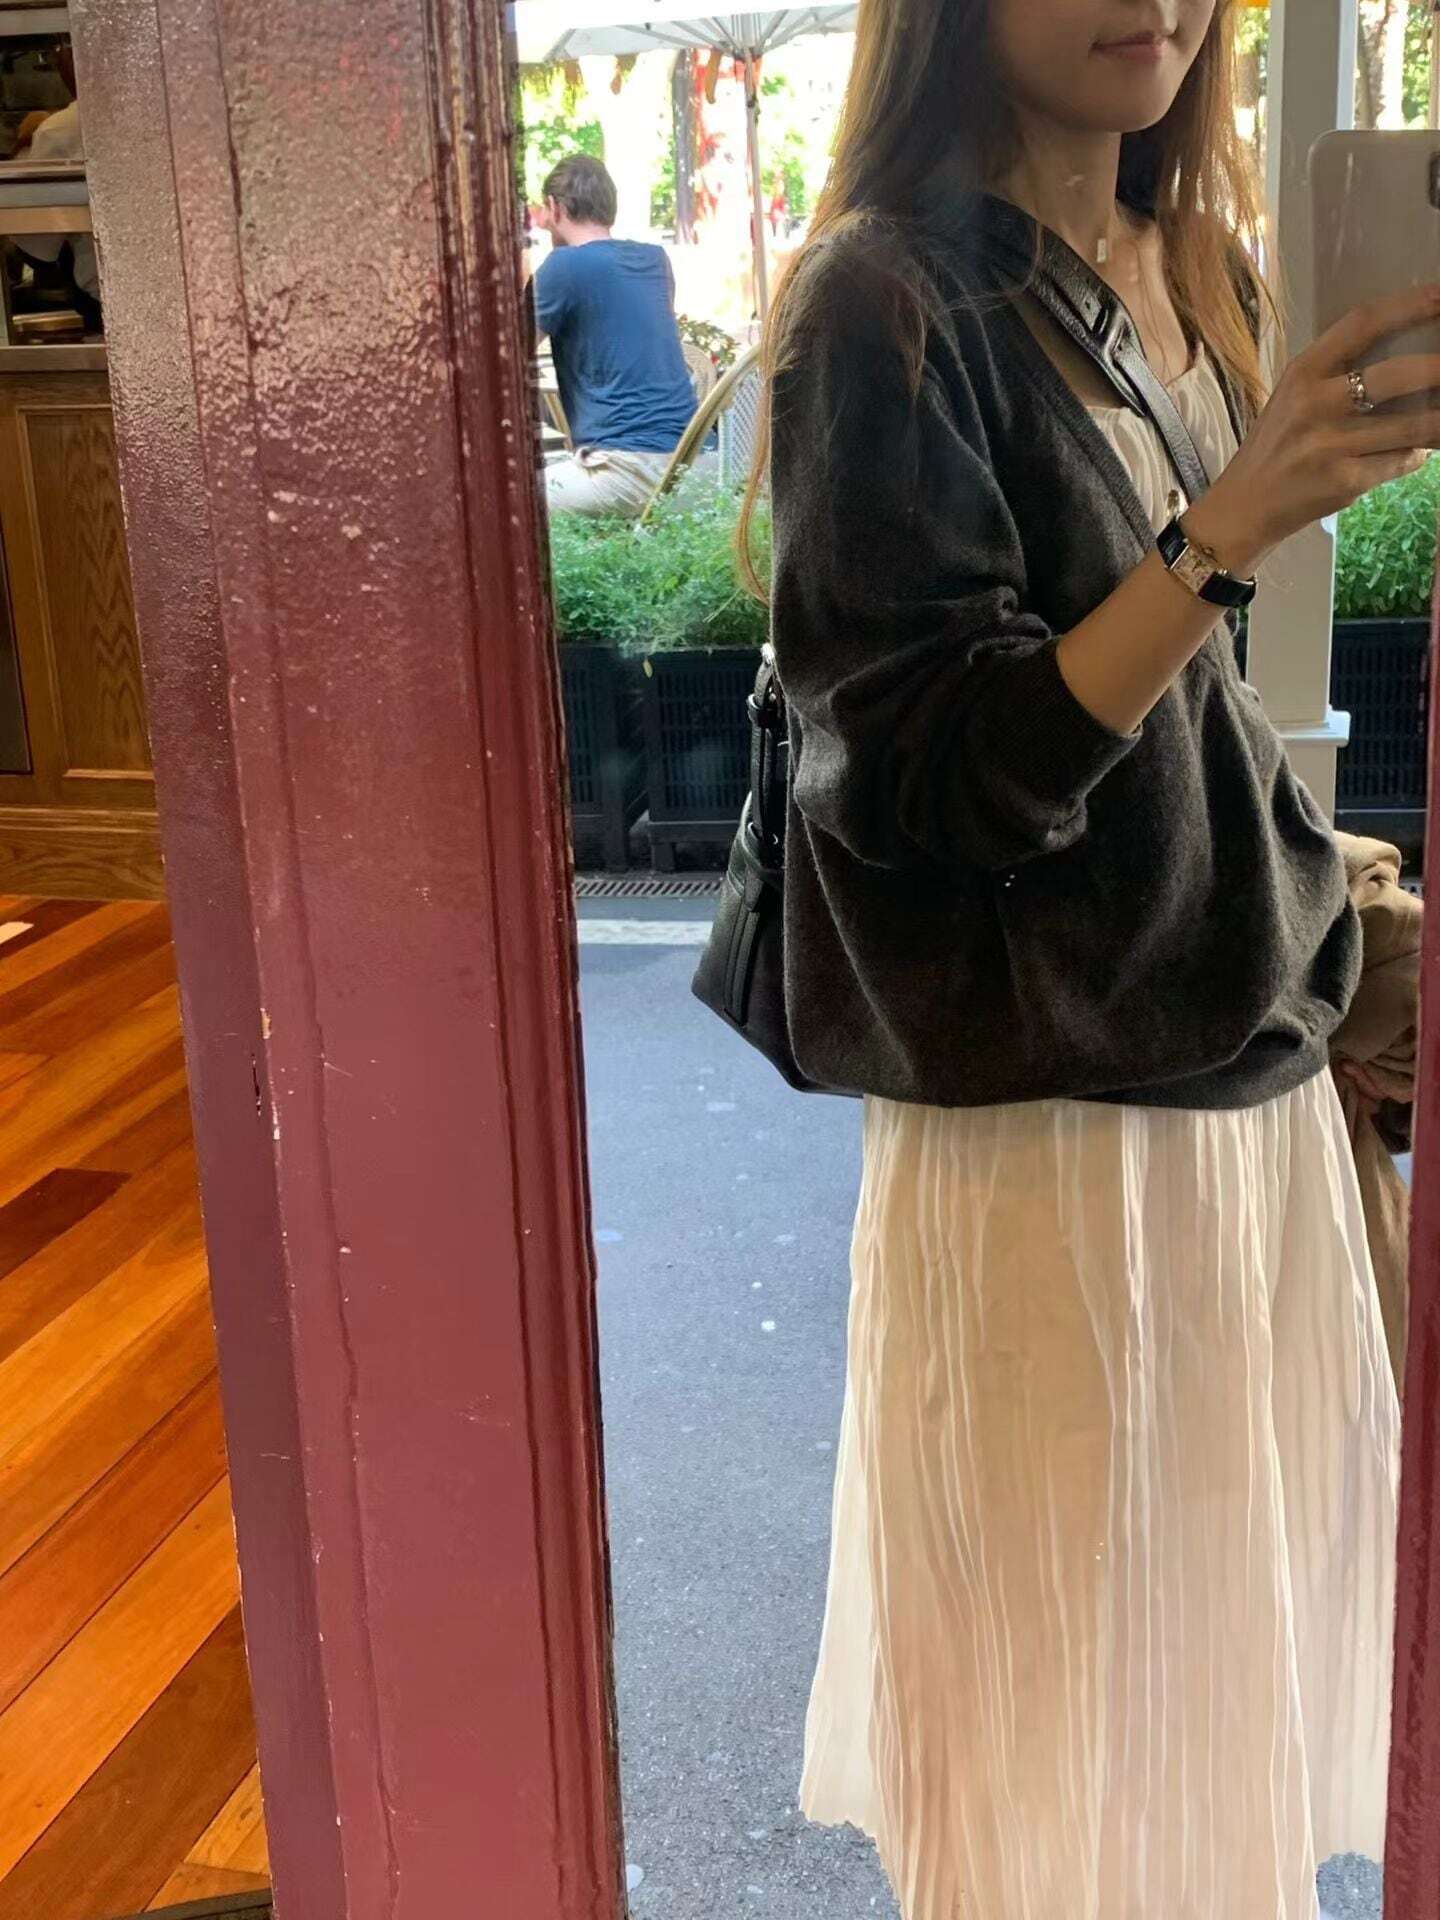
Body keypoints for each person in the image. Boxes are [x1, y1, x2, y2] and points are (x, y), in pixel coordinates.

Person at [753, 2, 1433, 1914]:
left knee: (1212, 1680)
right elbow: (931, 784)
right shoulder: (881, 308)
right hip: (1047, 1121)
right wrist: (1224, 529)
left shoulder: (1186, 261)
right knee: (1054, 1729)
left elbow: (1179, 706)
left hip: (1235, 1062)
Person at [532, 155, 700, 517]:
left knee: (501, 500)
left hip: (630, 472)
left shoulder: (562, 267)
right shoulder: (655, 261)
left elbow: (503, 357)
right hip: (693, 464)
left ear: (554, 207)